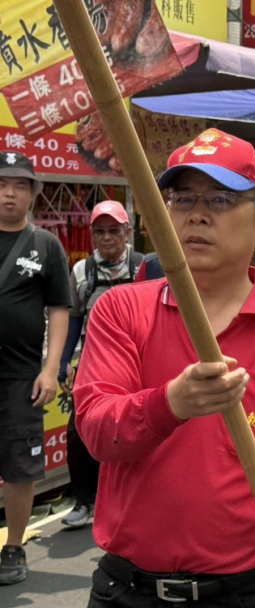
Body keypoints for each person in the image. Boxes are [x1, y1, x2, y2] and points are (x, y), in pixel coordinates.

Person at [72, 129, 255, 607]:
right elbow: (97, 432)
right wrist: (172, 403)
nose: (198, 213)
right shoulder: (121, 310)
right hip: (128, 591)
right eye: (182, 197)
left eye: (222, 199)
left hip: (252, 591)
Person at [0, 152, 70, 585]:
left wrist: (51, 369)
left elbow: (59, 309)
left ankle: (13, 547)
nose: (9, 192)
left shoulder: (46, 244)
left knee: (20, 469)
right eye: (3, 184)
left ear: (32, 194)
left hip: (22, 379)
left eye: (20, 185)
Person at [58, 200, 144, 529]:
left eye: (114, 231)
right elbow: (74, 319)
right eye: (100, 232)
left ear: (127, 232)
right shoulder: (82, 271)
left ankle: (135, 498)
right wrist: (65, 362)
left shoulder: (143, 266)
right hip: (95, 363)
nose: (107, 238)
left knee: (138, 427)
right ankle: (84, 500)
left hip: (137, 361)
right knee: (79, 431)